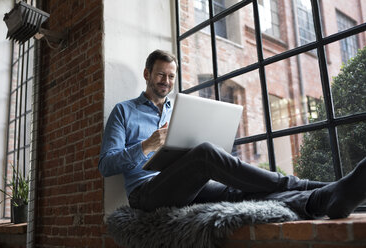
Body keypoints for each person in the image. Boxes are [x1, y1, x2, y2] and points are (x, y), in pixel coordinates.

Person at [99, 49, 366, 219]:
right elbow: (106, 165)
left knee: (241, 192)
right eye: (160, 75)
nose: (166, 82)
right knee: (204, 153)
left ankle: (324, 199)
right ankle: (304, 185)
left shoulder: (178, 109)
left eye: (171, 76)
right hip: (145, 194)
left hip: (187, 186)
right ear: (147, 74)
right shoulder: (124, 111)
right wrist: (146, 145)